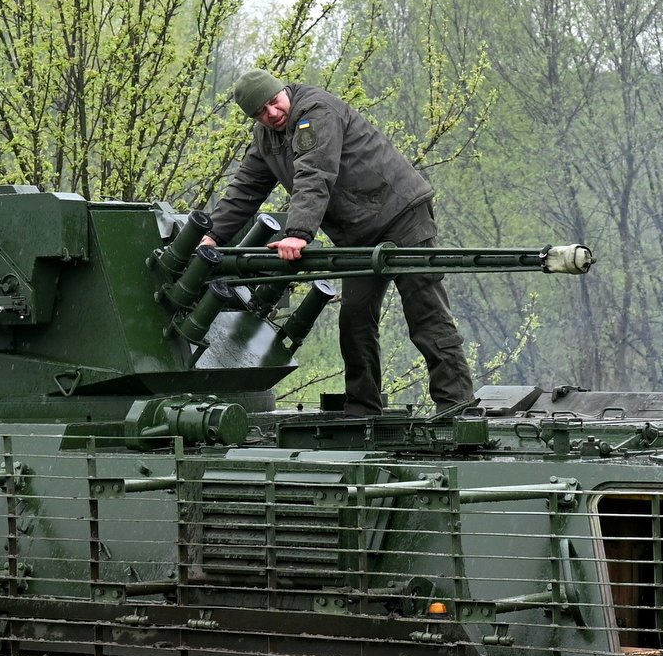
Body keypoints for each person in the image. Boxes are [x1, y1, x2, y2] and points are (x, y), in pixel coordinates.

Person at [203, 68, 475, 414]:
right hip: (358, 234)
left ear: (284, 90)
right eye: (260, 112)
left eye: (273, 102)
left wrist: (297, 233)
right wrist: (212, 236)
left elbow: (314, 171)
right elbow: (245, 188)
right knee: (354, 320)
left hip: (401, 214)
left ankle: (457, 406)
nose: (271, 113)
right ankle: (363, 409)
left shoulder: (315, 112)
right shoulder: (266, 137)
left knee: (425, 313)